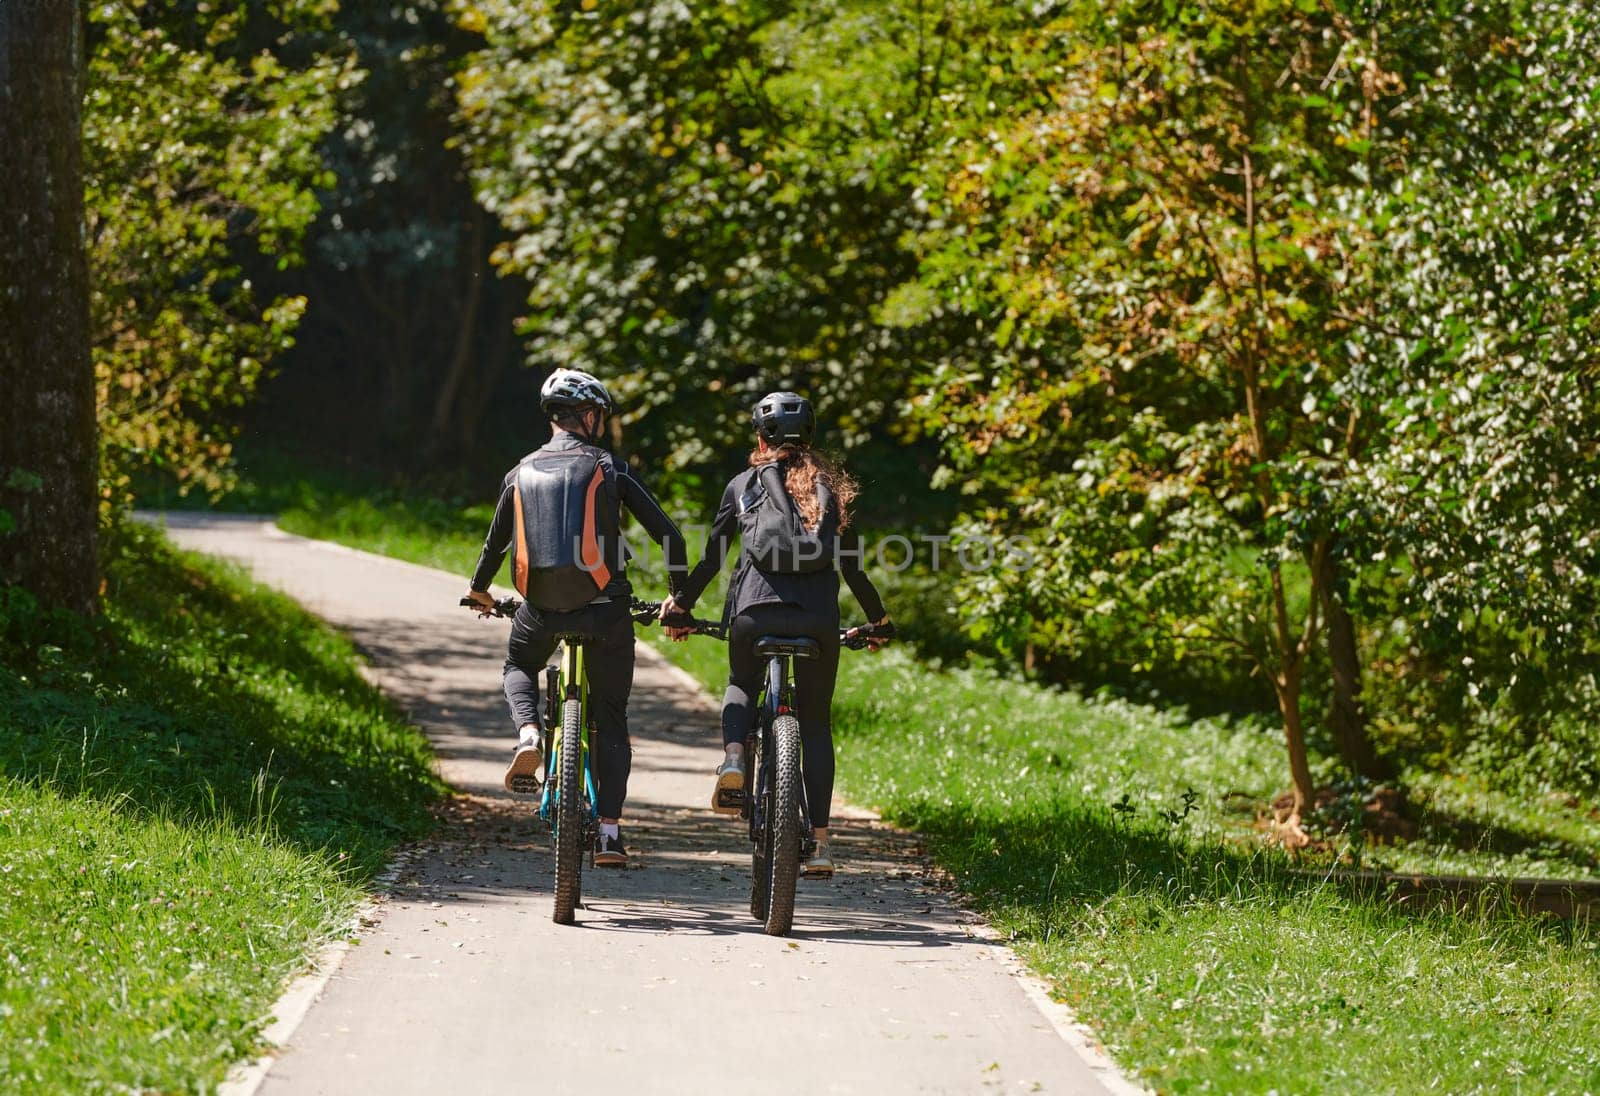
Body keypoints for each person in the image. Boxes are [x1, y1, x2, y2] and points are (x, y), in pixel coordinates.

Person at [659, 391, 891, 877]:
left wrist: (681, 605)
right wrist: (879, 622)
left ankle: (735, 758)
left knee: (742, 684)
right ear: (809, 438)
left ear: (759, 438)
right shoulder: (827, 491)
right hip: (817, 622)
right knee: (815, 724)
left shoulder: (743, 486)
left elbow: (712, 559)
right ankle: (822, 842)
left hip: (754, 616)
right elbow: (853, 571)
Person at [466, 368, 688, 867]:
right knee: (610, 717)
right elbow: (671, 537)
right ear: (587, 417)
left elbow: (496, 542)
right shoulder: (611, 468)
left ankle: (528, 734)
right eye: (600, 417)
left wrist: (480, 591)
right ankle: (609, 833)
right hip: (608, 611)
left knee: (519, 666)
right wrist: (677, 599)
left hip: (541, 610)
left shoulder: (519, 472)